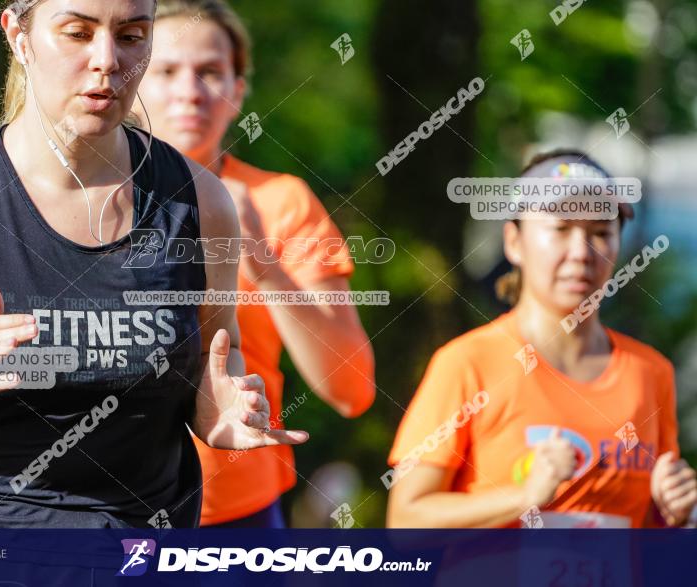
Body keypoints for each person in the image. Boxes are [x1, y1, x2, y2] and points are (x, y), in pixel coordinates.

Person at [0, 0, 307, 529]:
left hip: (133, 546)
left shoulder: (199, 201)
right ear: (18, 36)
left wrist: (218, 410)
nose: (107, 60)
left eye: (132, 35)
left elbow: (221, 348)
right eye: (77, 33)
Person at [131, 0, 376, 528]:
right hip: (106, 508)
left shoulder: (282, 202)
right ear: (131, 83)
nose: (190, 91)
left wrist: (263, 262)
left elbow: (351, 389)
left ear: (238, 91)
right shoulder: (80, 199)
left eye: (211, 72)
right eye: (167, 70)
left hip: (240, 511)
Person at [386, 150, 697, 528]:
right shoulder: (468, 363)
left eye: (600, 232)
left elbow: (649, 531)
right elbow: (405, 523)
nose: (582, 252)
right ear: (514, 241)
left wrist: (676, 514)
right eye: (561, 229)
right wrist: (524, 499)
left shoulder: (651, 373)